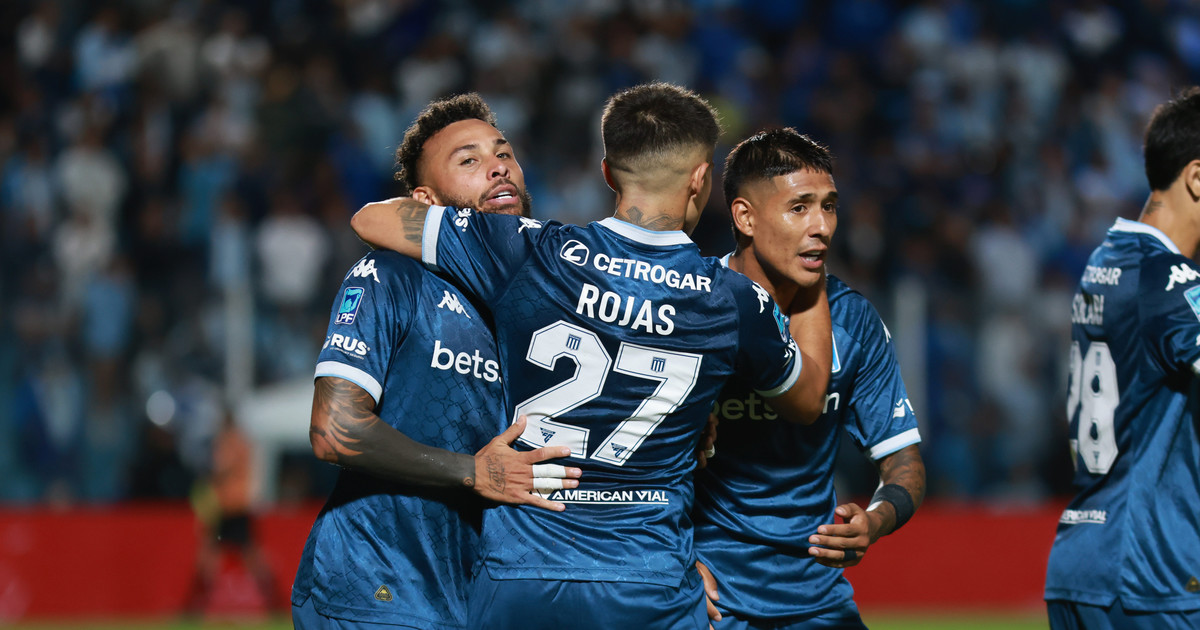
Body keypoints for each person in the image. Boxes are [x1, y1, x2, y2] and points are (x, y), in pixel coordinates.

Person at [350, 82, 833, 629]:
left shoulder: (531, 251)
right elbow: (807, 399)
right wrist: (811, 272)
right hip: (650, 578)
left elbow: (370, 219)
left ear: (607, 173)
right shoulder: (734, 300)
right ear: (701, 179)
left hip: (523, 576)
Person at [291, 93, 581, 630]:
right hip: (376, 583)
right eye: (468, 160)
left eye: (504, 153)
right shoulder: (391, 278)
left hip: (486, 592)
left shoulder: (550, 306)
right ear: (424, 201)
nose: (498, 166)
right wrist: (471, 472)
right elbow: (334, 429)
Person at [691, 128, 925, 629]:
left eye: (829, 206)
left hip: (819, 601)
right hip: (709, 600)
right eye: (799, 208)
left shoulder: (854, 321)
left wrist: (875, 520)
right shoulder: (689, 305)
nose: (822, 226)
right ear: (745, 217)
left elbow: (904, 462)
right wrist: (672, 559)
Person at [1045, 87, 1200, 629]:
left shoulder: (1106, 260)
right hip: (1148, 573)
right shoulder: (1170, 281)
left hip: (1083, 561)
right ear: (1197, 177)